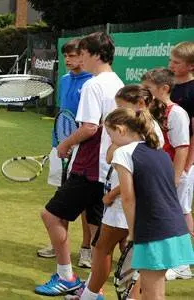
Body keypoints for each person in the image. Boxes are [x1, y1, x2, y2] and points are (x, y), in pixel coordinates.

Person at [35, 32, 124, 296]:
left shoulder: (93, 85)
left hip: (90, 167)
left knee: (51, 215)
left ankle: (66, 277)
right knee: (104, 234)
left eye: (83, 53)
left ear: (94, 54)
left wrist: (64, 145)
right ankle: (99, 289)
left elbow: (89, 128)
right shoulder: (117, 82)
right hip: (109, 170)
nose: (79, 58)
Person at [67, 85, 165, 300]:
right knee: (115, 251)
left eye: (122, 107)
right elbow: (112, 156)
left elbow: (140, 176)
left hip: (124, 206)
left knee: (103, 248)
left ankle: (93, 295)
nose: (118, 111)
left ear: (139, 105)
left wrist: (113, 194)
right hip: (124, 207)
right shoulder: (130, 135)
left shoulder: (149, 134)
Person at [107, 107, 194, 300]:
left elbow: (128, 198)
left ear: (120, 130)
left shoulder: (122, 153)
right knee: (152, 292)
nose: (111, 141)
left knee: (152, 294)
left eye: (110, 135)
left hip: (154, 231)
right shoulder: (159, 152)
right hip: (175, 229)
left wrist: (132, 232)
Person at [38, 39, 95, 267]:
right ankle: (58, 244)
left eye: (73, 56)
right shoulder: (64, 79)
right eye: (66, 57)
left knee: (85, 204)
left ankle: (86, 249)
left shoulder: (92, 82)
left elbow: (90, 123)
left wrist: (72, 143)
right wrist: (58, 143)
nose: (68, 60)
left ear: (83, 56)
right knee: (62, 199)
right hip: (60, 147)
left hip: (82, 150)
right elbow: (64, 114)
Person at [142, 67, 194, 281]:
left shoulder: (177, 113)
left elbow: (182, 147)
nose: (144, 92)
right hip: (161, 176)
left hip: (175, 175)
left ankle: (182, 265)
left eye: (148, 89)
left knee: (178, 215)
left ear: (164, 89)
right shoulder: (154, 111)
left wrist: (175, 177)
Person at [170, 41, 194, 247]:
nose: (171, 65)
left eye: (176, 62)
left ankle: (183, 264)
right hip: (168, 157)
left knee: (182, 209)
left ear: (191, 66)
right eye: (171, 61)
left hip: (184, 161)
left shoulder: (192, 91)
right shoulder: (170, 86)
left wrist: (186, 166)